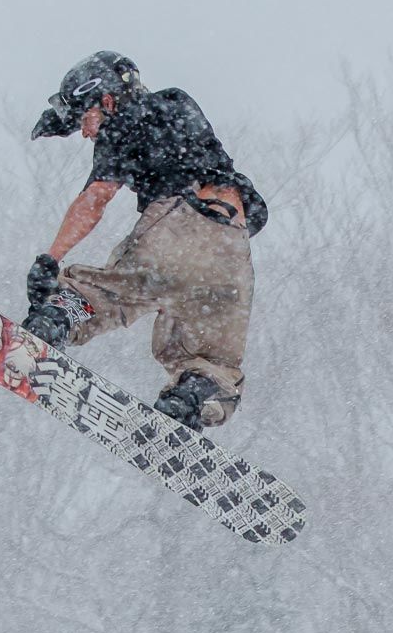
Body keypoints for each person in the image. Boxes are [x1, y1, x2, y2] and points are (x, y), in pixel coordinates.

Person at [22, 52, 267, 429]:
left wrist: (50, 261)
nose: (87, 132)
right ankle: (188, 402)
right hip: (231, 252)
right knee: (214, 362)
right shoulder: (176, 107)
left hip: (180, 226)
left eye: (85, 120)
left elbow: (96, 198)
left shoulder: (126, 119)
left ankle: (57, 318)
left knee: (110, 294)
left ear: (106, 101)